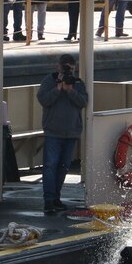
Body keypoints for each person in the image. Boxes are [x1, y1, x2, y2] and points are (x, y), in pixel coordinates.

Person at [36, 53, 88, 214]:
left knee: (64, 167)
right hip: (53, 132)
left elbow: (83, 102)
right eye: (66, 68)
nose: (69, 72)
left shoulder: (77, 83)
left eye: (72, 69)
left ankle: (56, 198)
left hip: (71, 132)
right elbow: (44, 100)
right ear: (59, 67)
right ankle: (49, 200)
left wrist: (70, 90)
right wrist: (58, 89)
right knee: (50, 166)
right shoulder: (49, 81)